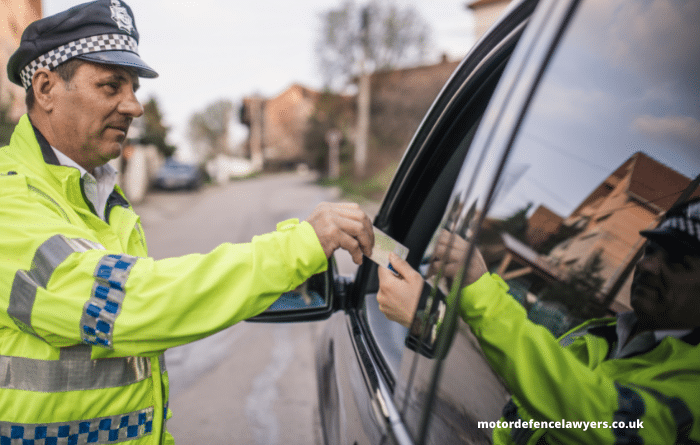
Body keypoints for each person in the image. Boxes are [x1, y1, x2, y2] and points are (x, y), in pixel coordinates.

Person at [0, 1, 374, 444]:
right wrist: (298, 246)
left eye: (133, 88)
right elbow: (129, 305)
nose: (134, 106)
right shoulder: (11, 201)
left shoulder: (103, 200)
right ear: (45, 88)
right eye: (110, 86)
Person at [377, 198, 700, 444]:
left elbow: (605, 419)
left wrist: (479, 291)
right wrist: (433, 312)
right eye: (651, 251)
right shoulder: (597, 335)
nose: (648, 266)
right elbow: (531, 383)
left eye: (678, 262)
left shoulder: (692, 383)